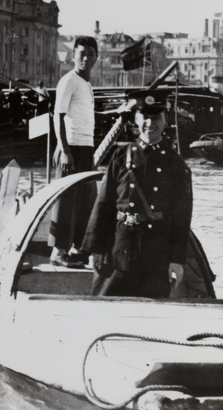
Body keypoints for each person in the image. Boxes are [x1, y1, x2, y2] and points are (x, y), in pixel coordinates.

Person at [81, 91, 193, 299]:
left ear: (165, 121)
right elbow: (104, 204)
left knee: (151, 317)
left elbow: (181, 217)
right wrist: (95, 249)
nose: (150, 123)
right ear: (136, 119)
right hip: (118, 251)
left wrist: (176, 260)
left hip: (156, 256)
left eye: (157, 118)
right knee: (105, 310)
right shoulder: (121, 156)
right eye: (145, 117)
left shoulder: (176, 165)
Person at [48, 36, 99, 268]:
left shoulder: (86, 85)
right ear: (73, 56)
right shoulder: (68, 80)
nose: (86, 58)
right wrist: (65, 151)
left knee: (87, 201)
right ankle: (58, 252)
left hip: (86, 148)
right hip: (71, 147)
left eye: (90, 54)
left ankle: (78, 249)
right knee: (66, 202)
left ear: (97, 57)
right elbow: (57, 117)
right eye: (81, 54)